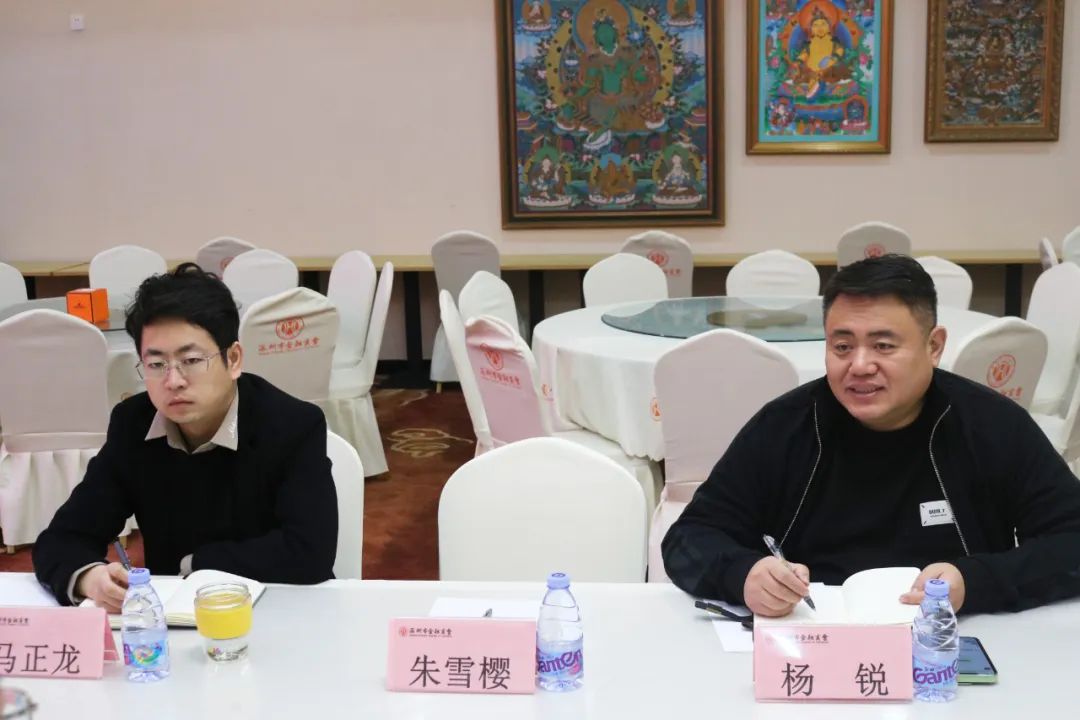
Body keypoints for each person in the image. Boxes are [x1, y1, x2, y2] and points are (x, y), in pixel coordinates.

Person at [662, 254, 1080, 616]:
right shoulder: (786, 426)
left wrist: (973, 582)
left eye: (883, 346)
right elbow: (688, 539)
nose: (859, 366)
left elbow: (1071, 540)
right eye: (842, 347)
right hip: (814, 636)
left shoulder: (990, 424)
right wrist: (744, 575)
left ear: (934, 346)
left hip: (949, 640)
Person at [34, 264, 338, 610]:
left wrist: (195, 564)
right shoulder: (133, 424)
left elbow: (308, 552)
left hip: (277, 608)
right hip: (175, 623)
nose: (173, 381)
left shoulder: (293, 426)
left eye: (191, 360)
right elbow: (63, 537)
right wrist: (88, 577)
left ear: (233, 359)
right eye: (156, 365)